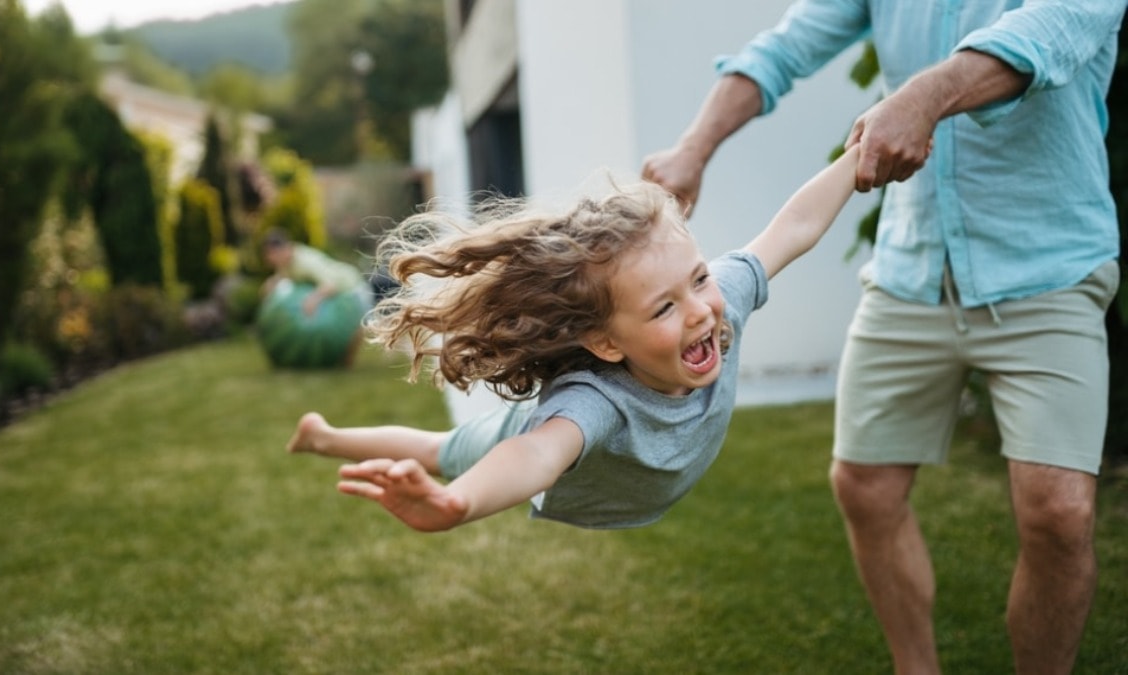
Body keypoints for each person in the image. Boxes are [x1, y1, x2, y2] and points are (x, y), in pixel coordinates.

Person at [641, 3, 1124, 674]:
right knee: (864, 485)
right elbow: (784, 49)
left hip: (1048, 266)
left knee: (1060, 514)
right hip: (913, 266)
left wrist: (924, 96)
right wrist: (692, 148)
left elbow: (1046, 38)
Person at [286, 146, 862, 533]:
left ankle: (324, 434)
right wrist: (457, 503)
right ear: (607, 344)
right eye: (664, 307)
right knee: (443, 452)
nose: (699, 313)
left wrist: (859, 157)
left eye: (699, 279)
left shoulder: (719, 298)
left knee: (441, 447)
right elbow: (535, 455)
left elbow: (793, 228)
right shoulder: (596, 402)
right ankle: (326, 437)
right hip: (517, 439)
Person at [261, 228, 373, 366]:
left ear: (285, 249)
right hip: (339, 293)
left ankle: (346, 362)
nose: (270, 259)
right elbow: (284, 278)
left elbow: (331, 285)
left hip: (351, 286)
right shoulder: (285, 263)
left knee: (359, 325)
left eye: (272, 254)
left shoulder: (306, 261)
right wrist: (272, 283)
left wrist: (313, 299)